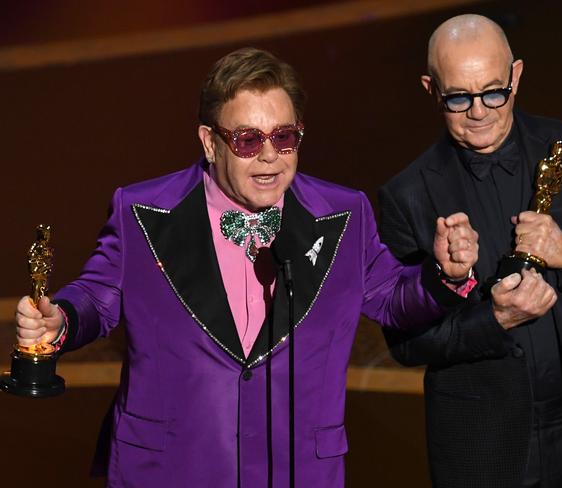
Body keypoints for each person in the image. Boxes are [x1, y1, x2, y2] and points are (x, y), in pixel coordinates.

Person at [13, 48, 477, 488]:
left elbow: (394, 299)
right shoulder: (141, 210)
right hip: (168, 467)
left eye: (284, 136)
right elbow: (97, 296)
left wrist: (446, 276)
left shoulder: (344, 215)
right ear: (210, 142)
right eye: (248, 139)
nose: (270, 154)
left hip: (297, 470)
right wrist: (62, 320)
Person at [379, 14, 562, 488]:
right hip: (484, 449)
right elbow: (405, 344)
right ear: (430, 89)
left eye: (493, 91)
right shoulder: (406, 196)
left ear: (517, 76)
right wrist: (495, 320)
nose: (479, 111)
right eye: (458, 96)